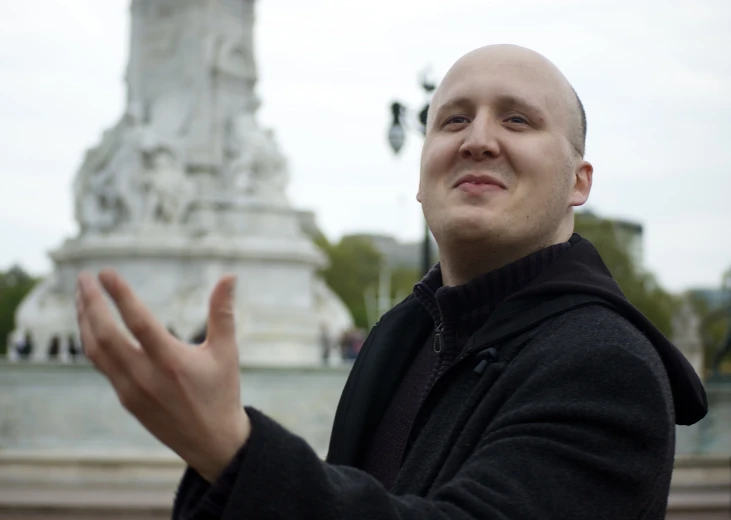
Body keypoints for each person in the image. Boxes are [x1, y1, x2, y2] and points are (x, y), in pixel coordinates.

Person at [74, 44, 708, 519]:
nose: (478, 140)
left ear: (580, 183)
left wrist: (234, 452)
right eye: (452, 120)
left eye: (517, 120)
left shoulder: (605, 364)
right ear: (423, 171)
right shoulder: (399, 340)